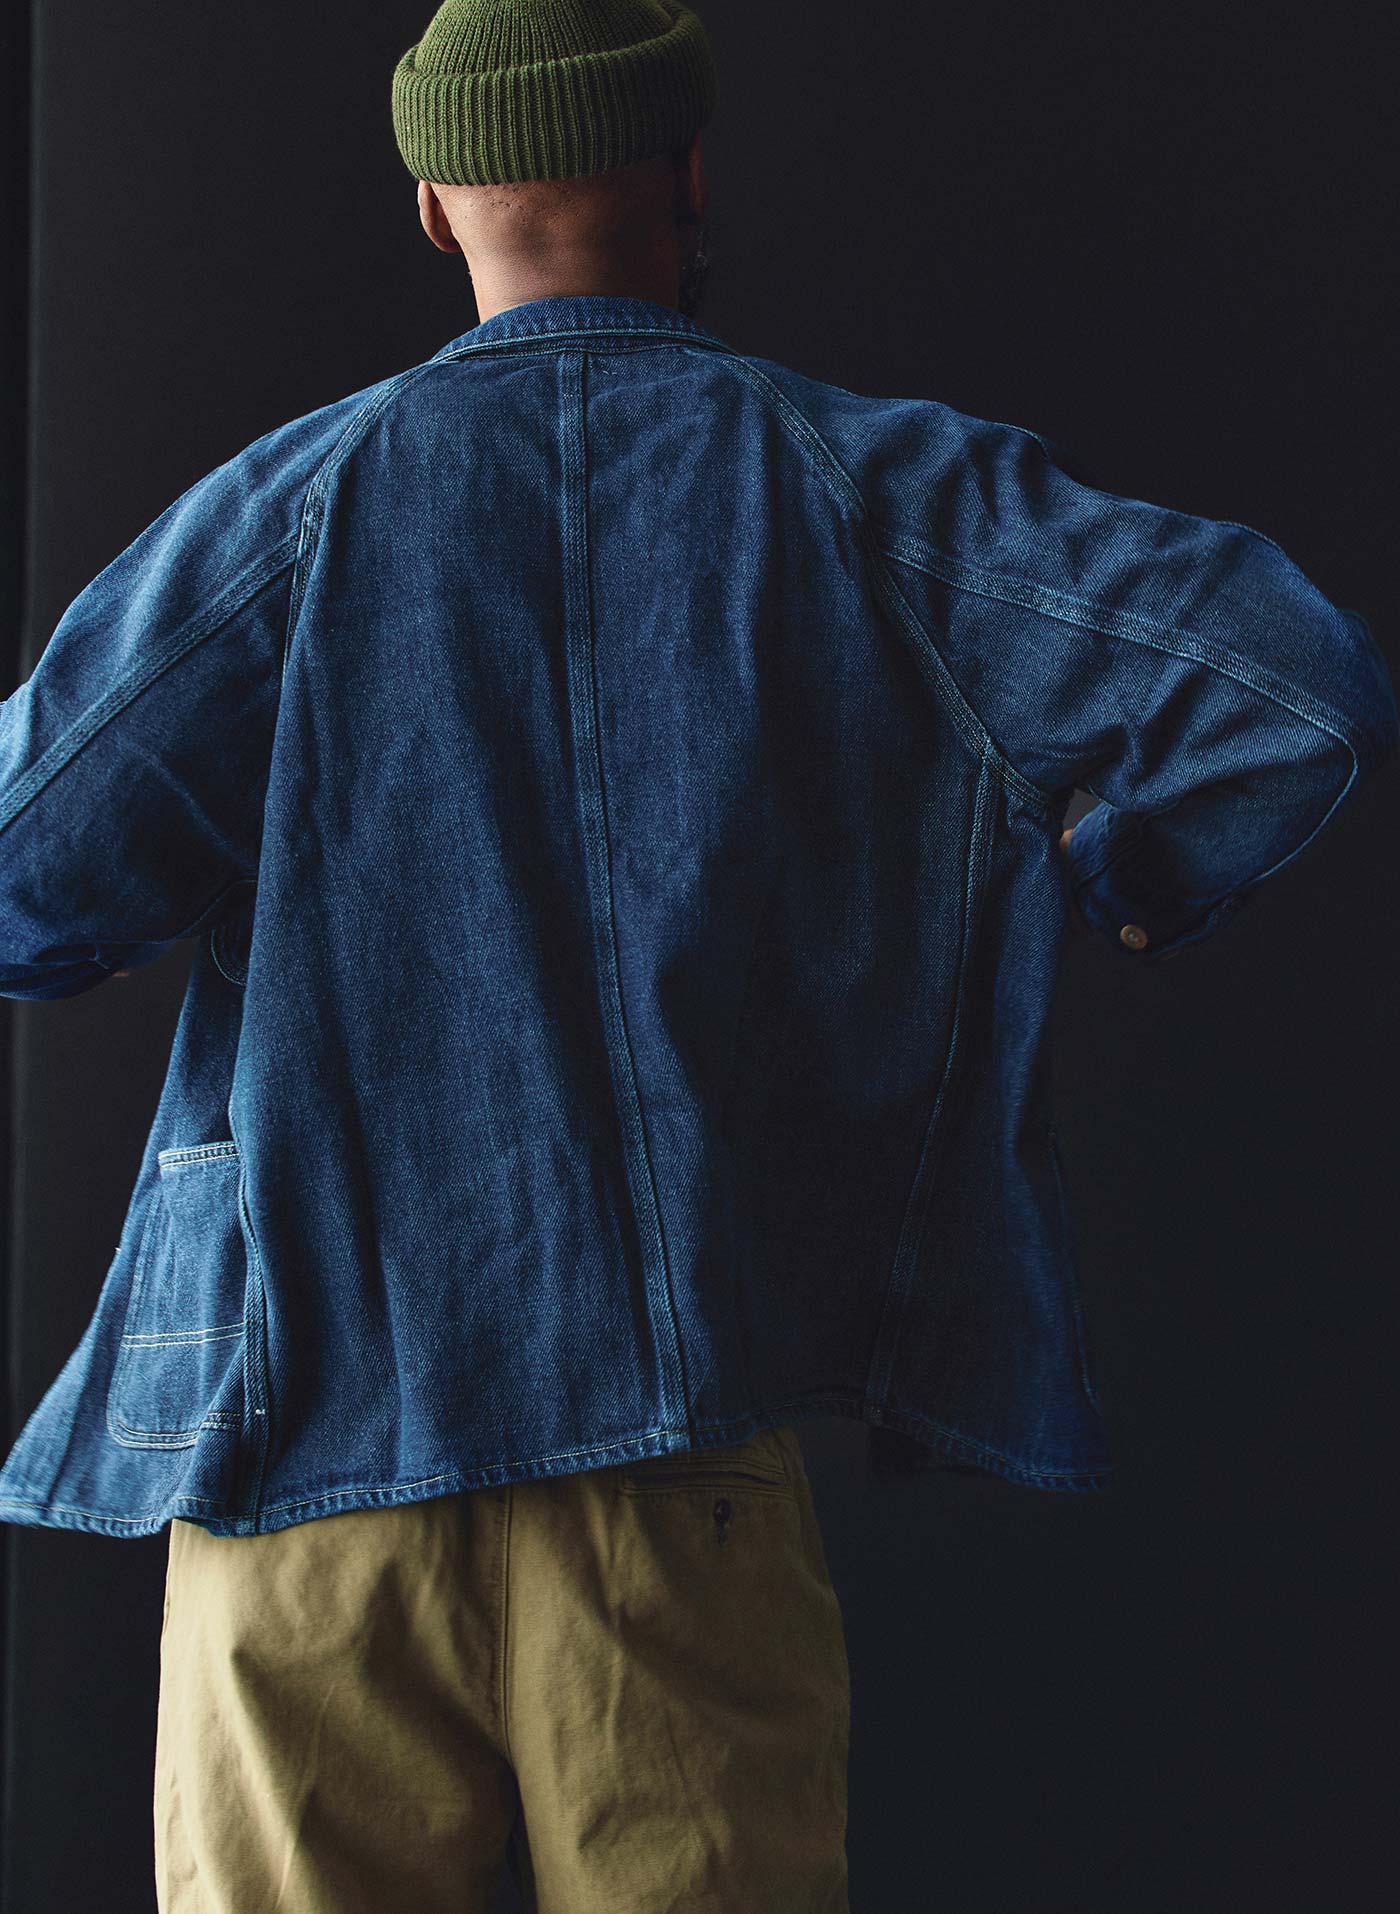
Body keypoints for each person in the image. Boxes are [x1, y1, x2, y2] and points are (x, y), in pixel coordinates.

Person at [1, 3, 1395, 1909]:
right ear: (691, 172)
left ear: (436, 206)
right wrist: (1102, 866)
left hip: (300, 1441)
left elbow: (24, 863)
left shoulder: (286, 519)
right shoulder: (865, 489)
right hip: (676, 1473)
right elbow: (1292, 687)